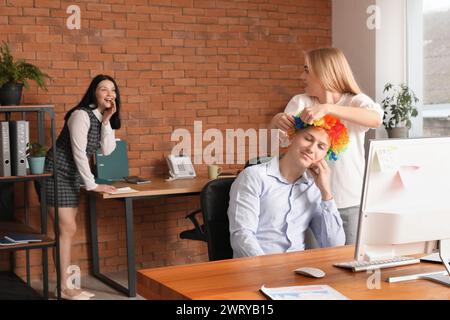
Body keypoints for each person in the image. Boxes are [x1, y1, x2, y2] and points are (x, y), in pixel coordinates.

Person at [269, 47, 383, 245]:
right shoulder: (300, 101)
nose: (301, 76)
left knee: (349, 264)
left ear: (324, 73)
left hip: (350, 202)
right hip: (309, 201)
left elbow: (375, 119)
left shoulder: (355, 101)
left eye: (307, 70)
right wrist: (275, 122)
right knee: (314, 268)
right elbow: (280, 142)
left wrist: (328, 108)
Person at [228, 115, 348, 258]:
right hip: (257, 271)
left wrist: (326, 192)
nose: (311, 149)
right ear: (292, 136)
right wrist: (269, 271)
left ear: (324, 156)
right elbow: (241, 237)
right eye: (308, 139)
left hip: (297, 273)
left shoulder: (314, 188)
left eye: (321, 147)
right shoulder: (254, 177)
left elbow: (334, 246)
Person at [44, 74, 120, 300]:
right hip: (57, 173)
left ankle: (65, 287)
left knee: (67, 230)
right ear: (94, 92)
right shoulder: (80, 115)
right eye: (103, 89)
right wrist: (93, 185)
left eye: (113, 90)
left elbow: (107, 151)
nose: (109, 94)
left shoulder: (100, 118)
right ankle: (63, 288)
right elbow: (78, 152)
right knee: (66, 229)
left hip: (72, 176)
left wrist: (107, 120)